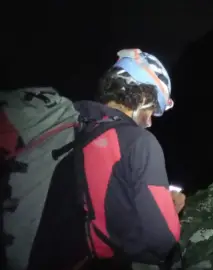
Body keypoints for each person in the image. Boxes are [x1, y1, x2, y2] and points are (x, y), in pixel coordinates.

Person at [2, 48, 185, 270]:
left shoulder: (74, 123)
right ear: (143, 95)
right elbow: (162, 238)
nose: (150, 121)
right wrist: (172, 208)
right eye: (153, 109)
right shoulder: (139, 142)